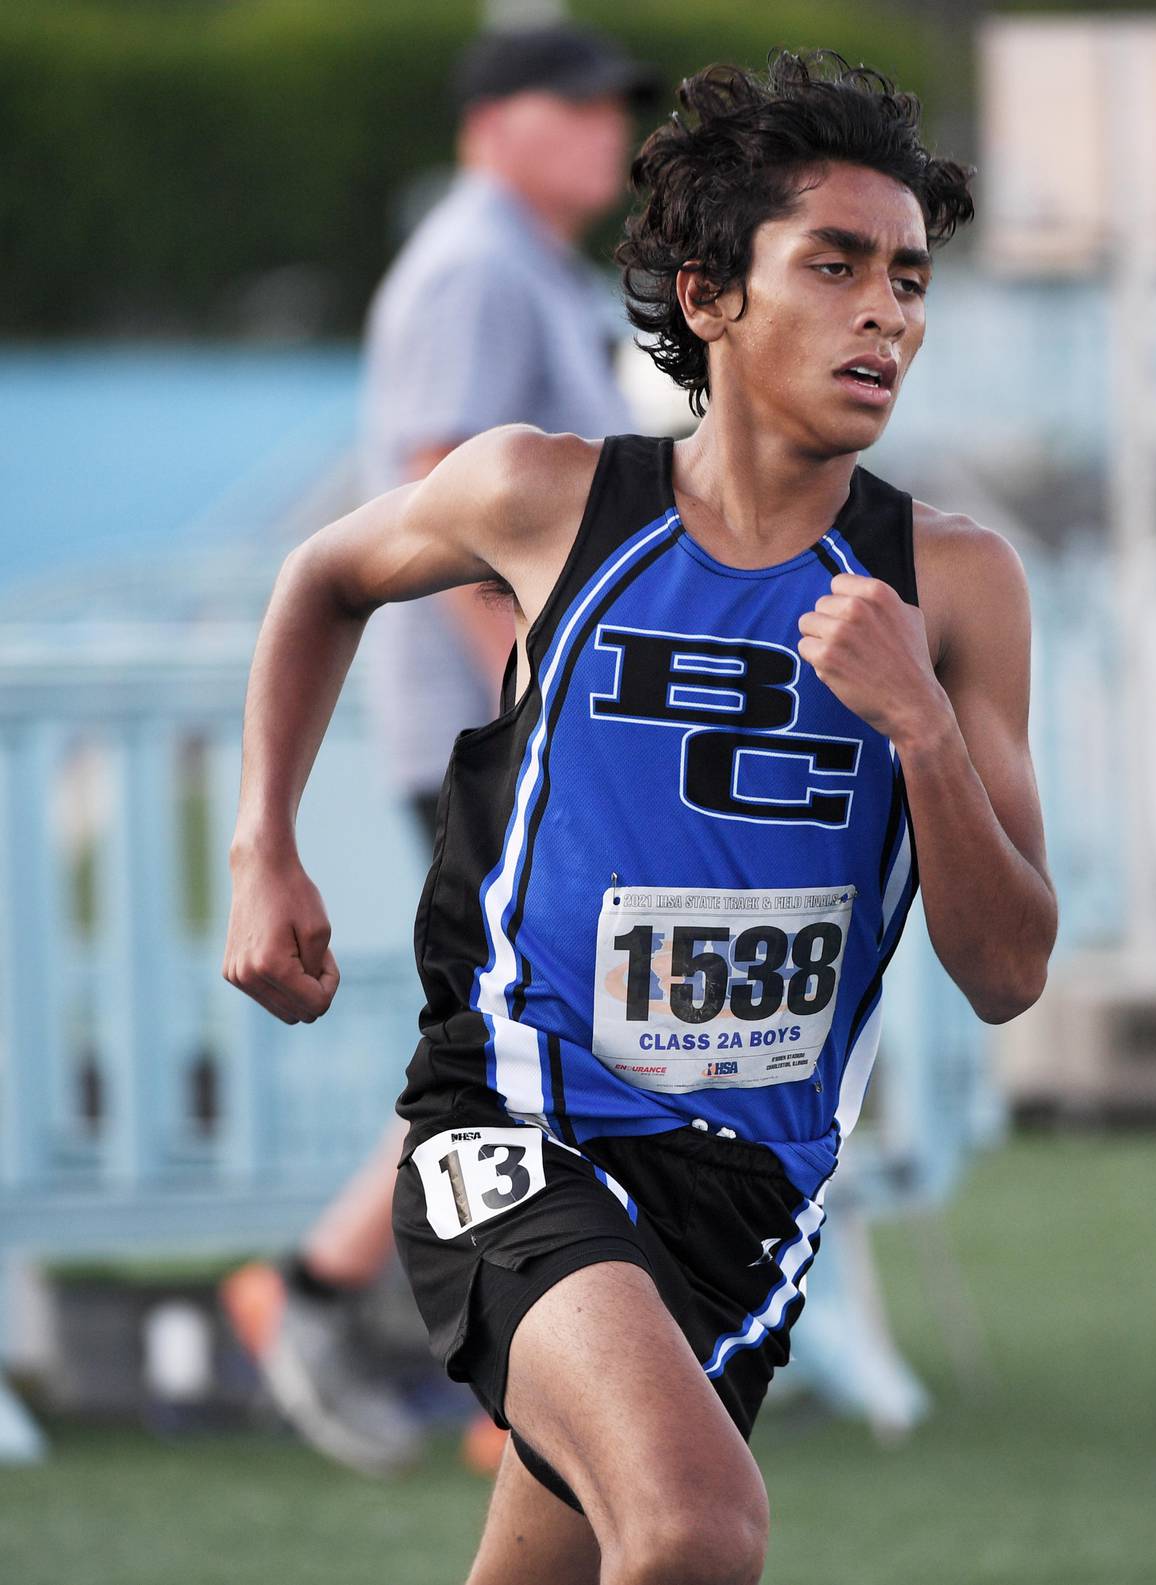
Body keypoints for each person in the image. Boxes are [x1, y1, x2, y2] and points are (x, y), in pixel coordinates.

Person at [224, 50, 1057, 1584]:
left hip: (751, 1191)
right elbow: (321, 576)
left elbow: (1009, 969)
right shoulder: (548, 498)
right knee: (695, 1527)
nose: (890, 313)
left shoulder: (957, 584)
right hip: (517, 1122)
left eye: (913, 278)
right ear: (710, 295)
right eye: (838, 264)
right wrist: (260, 843)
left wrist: (922, 726)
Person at [221, 22, 658, 1478]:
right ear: (494, 121)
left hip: (511, 727)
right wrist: (544, 714)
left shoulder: (518, 259)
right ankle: (337, 1294)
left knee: (557, 1032)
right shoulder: (476, 262)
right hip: (504, 737)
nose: (608, 133)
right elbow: (453, 502)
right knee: (541, 1037)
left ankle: (404, 1312)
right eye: (578, 106)